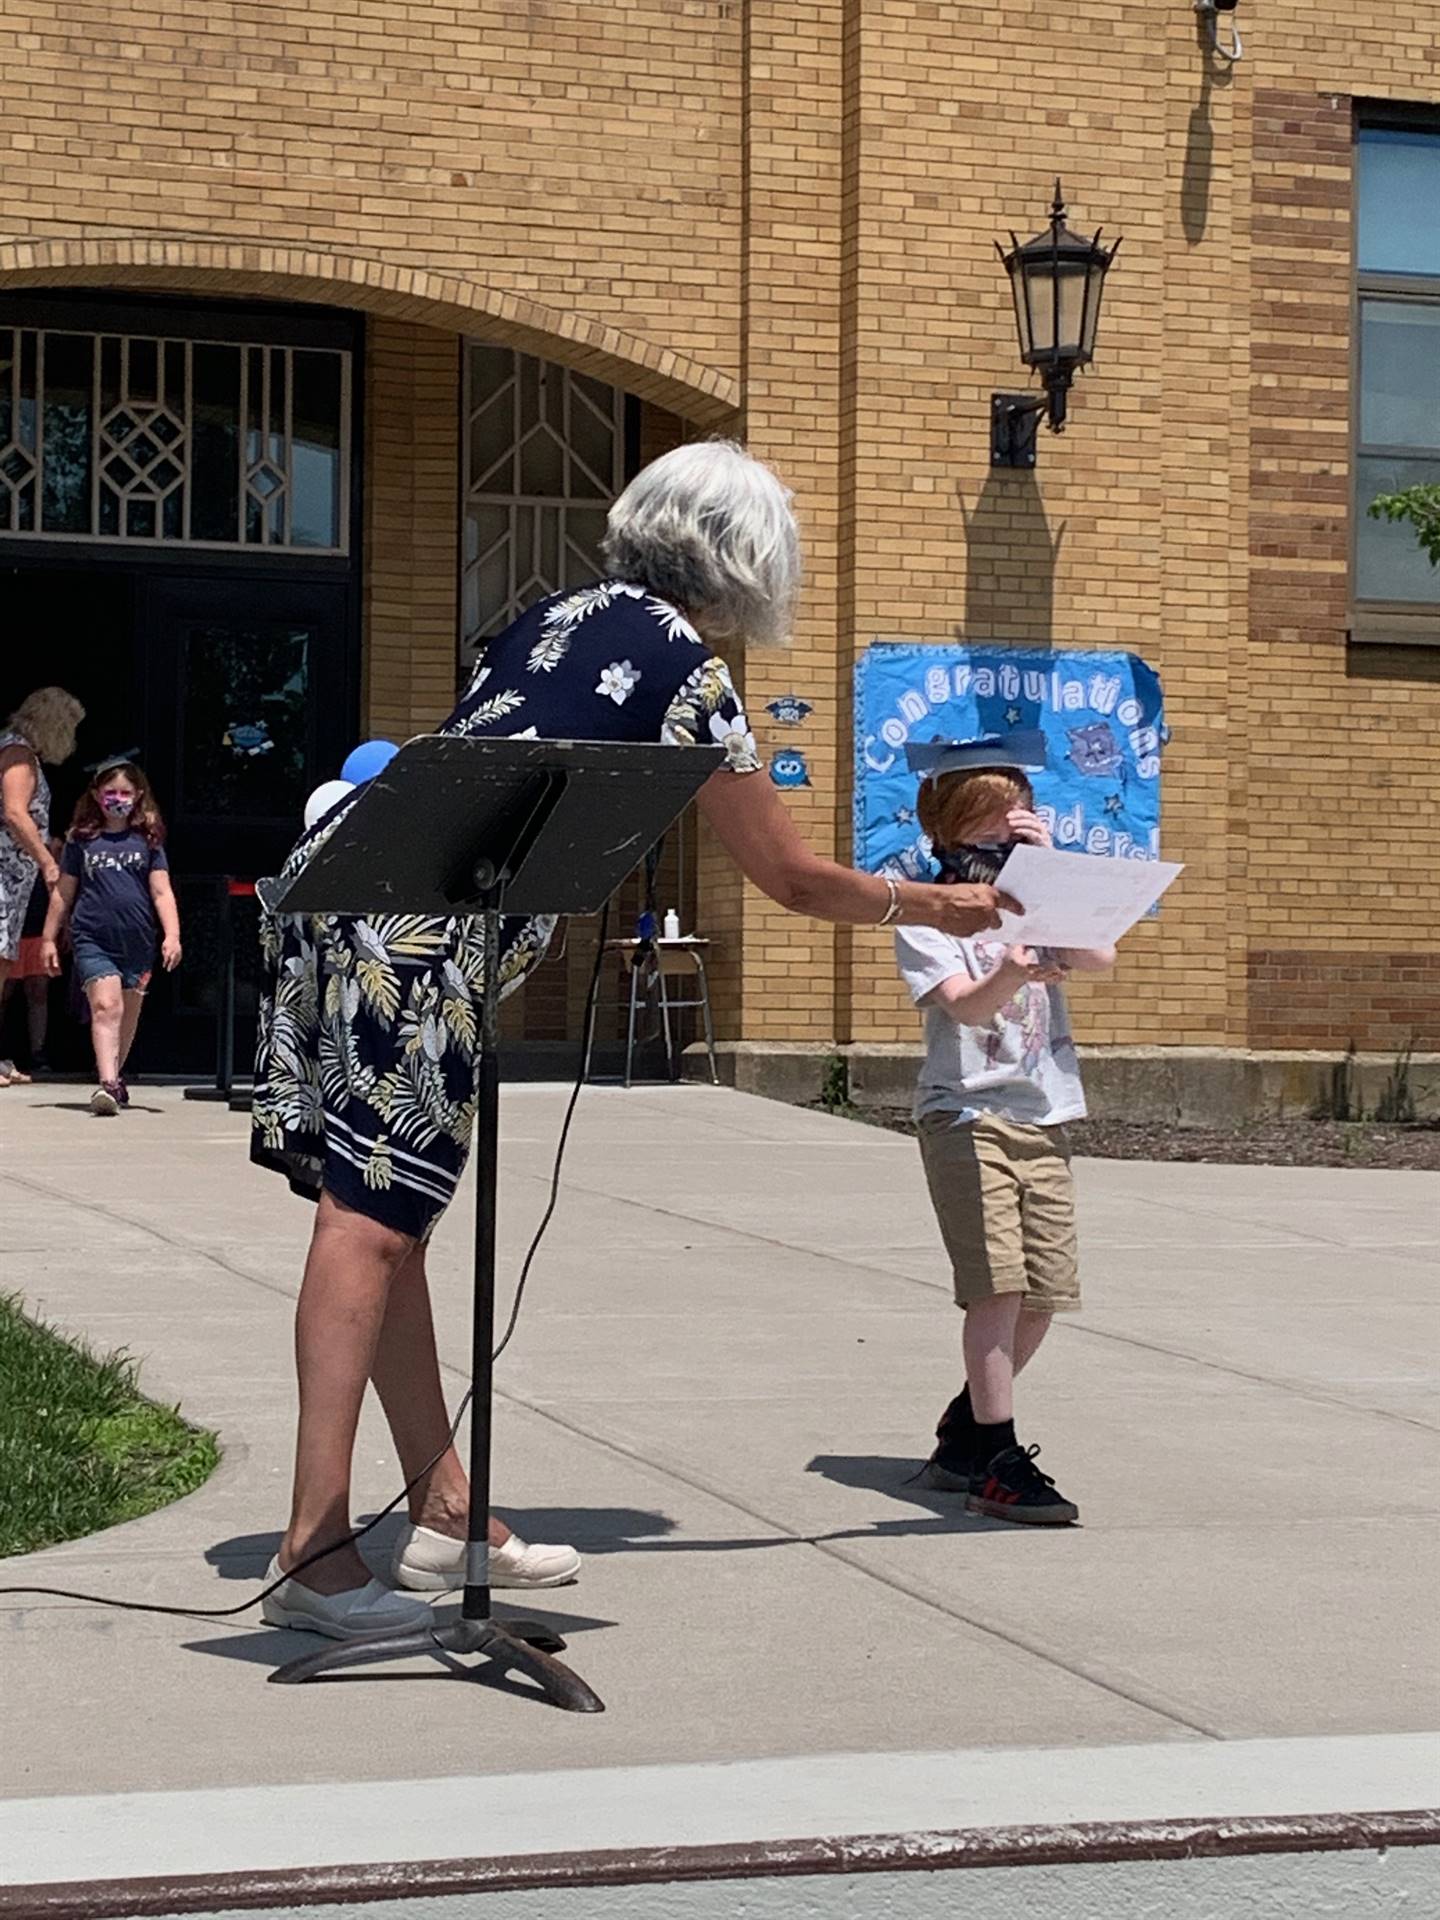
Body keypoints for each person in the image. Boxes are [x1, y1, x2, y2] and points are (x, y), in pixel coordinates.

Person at [250, 439, 1019, 1641]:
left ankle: (442, 1507)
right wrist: (936, 901)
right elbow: (790, 878)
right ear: (746, 560)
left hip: (349, 884)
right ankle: (315, 1549)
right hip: (422, 930)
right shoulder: (689, 674)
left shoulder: (553, 615)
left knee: (388, 1226)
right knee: (366, 1227)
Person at [894, 735, 1114, 1525]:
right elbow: (966, 1006)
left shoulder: (1034, 897)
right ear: (948, 831)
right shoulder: (928, 913)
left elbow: (1101, 954)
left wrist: (1050, 871)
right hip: (966, 1113)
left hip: (1044, 1110)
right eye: (983, 830)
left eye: (1008, 826)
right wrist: (1013, 969)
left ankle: (967, 1426)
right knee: (998, 1285)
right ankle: (999, 1454)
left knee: (1046, 1294)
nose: (996, 844)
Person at [41, 758, 182, 1115]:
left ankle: (116, 1077)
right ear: (96, 795)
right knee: (107, 1007)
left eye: (124, 793)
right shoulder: (82, 841)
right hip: (93, 937)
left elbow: (161, 891)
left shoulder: (147, 842)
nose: (117, 799)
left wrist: (172, 935)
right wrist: (48, 938)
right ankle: (106, 1084)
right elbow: (63, 892)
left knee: (128, 1011)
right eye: (110, 793)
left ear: (138, 796)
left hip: (137, 940)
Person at [0, 688, 84, 1087]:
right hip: (3, 875)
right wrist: (48, 862)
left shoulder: (19, 751)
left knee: (4, 962)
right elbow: (15, 814)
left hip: (14, 877)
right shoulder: (17, 753)